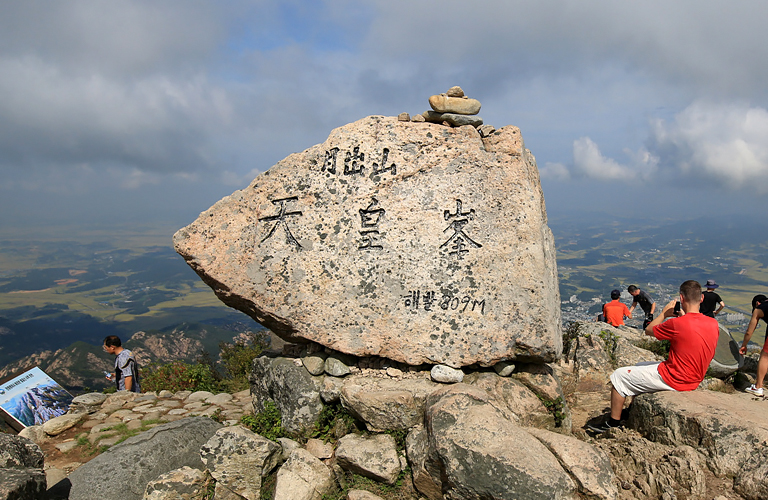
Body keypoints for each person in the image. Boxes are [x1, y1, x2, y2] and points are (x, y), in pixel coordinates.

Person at [590, 280, 719, 432]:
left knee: (619, 376)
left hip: (676, 378)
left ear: (681, 298)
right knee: (638, 367)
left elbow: (649, 330)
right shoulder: (713, 324)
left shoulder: (677, 324)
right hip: (695, 378)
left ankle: (612, 424)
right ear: (701, 298)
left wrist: (664, 314)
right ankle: (631, 409)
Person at [739, 294, 768, 396]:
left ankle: (758, 387)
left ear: (757, 303)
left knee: (765, 356)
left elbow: (749, 331)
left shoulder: (759, 309)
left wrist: (744, 345)